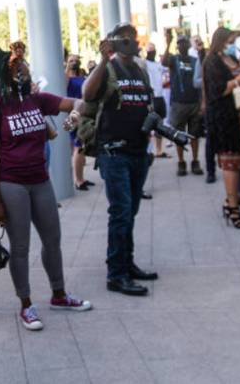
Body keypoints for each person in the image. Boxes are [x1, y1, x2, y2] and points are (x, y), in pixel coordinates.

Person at [0, 49, 92, 330]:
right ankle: (26, 304)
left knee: (52, 240)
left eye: (24, 65)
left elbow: (79, 102)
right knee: (20, 247)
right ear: (2, 73)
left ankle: (59, 294)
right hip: (12, 184)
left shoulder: (37, 100)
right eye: (16, 67)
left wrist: (75, 118)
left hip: (41, 181)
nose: (23, 70)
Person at [83, 24, 158, 296]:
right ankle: (116, 274)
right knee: (121, 212)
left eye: (132, 38)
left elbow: (148, 102)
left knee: (131, 211)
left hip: (139, 152)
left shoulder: (140, 69)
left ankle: (127, 262)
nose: (130, 43)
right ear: (114, 43)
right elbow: (88, 94)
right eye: (123, 39)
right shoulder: (110, 68)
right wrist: (103, 59)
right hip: (114, 152)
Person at [202, 28, 240, 230]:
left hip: (239, 114)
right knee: (230, 162)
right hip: (225, 118)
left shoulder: (227, 57)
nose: (234, 43)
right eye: (231, 40)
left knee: (238, 161)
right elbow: (221, 89)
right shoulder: (212, 62)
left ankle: (231, 202)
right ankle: (233, 207)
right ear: (222, 40)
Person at [163, 32, 203, 176]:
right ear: (177, 46)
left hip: (194, 103)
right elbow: (163, 62)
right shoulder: (174, 59)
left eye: (184, 43)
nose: (182, 45)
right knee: (179, 134)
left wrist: (202, 102)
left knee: (194, 135)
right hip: (178, 104)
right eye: (179, 43)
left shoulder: (194, 60)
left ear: (188, 45)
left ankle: (195, 160)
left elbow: (200, 81)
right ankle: (181, 162)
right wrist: (167, 43)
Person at [65, 55, 93, 189]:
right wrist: (67, 68)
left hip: (85, 113)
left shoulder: (82, 76)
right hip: (74, 113)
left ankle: (81, 177)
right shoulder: (66, 78)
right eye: (71, 60)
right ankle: (78, 180)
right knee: (78, 146)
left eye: (76, 60)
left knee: (81, 146)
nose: (74, 63)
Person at [143, 42, 168, 158]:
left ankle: (159, 150)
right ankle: (148, 151)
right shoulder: (144, 64)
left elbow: (166, 64)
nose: (152, 53)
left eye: (153, 51)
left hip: (160, 96)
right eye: (149, 51)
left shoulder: (158, 65)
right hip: (150, 97)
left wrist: (167, 45)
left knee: (159, 124)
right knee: (148, 125)